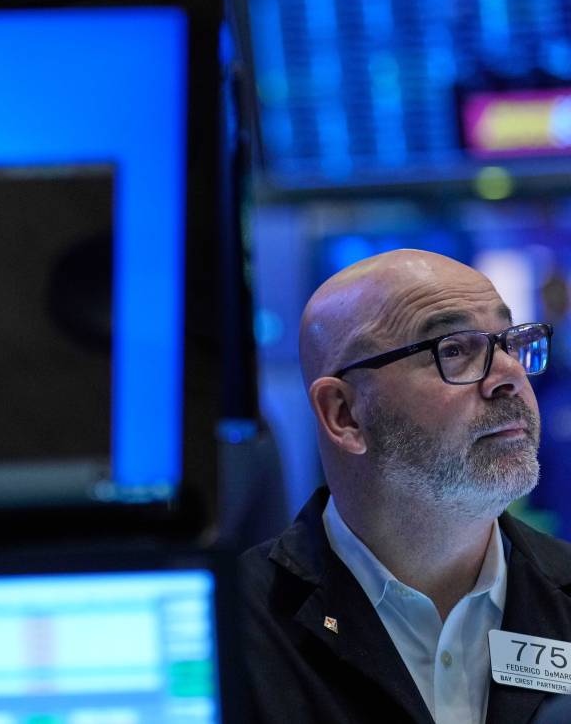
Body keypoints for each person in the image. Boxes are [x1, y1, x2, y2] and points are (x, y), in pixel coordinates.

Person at [241, 249, 571, 724]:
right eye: (453, 350)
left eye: (510, 343)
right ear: (344, 414)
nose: (510, 376)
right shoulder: (232, 627)